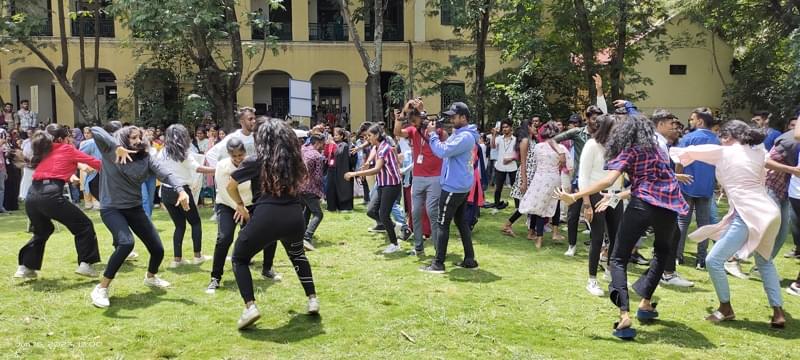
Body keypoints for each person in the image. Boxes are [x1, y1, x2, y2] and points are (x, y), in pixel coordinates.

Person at [556, 113, 688, 340]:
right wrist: (616, 196)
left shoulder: (631, 151)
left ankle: (624, 315)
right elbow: (652, 183)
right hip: (668, 209)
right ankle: (645, 304)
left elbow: (608, 181)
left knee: (618, 259)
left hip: (642, 206)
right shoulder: (658, 151)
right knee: (662, 252)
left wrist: (575, 196)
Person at [670, 120, 785, 328]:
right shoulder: (758, 150)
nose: (720, 139)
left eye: (723, 136)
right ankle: (778, 312)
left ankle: (726, 308)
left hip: (748, 213)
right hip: (769, 211)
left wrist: (677, 167)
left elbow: (683, 151)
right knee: (765, 261)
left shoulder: (723, 152)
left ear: (730, 136)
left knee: (713, 260)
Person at [88, 125, 190, 308]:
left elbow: (165, 173)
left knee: (157, 249)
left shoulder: (145, 158)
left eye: (138, 137)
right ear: (123, 139)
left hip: (134, 208)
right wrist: (115, 145)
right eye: (132, 138)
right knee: (126, 243)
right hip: (112, 208)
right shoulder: (109, 150)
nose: (137, 141)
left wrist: (180, 190)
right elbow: (95, 129)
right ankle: (101, 288)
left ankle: (150, 277)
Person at [230, 118, 319, 330]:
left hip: (266, 216)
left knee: (239, 258)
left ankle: (250, 307)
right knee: (298, 255)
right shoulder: (295, 161)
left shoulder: (256, 161)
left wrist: (240, 205)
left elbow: (231, 185)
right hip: (294, 216)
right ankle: (312, 299)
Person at [14, 124, 102, 279]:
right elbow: (95, 162)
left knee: (42, 230)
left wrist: (71, 174)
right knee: (84, 226)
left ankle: (25, 267)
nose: (71, 140)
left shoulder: (42, 151)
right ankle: (86, 264)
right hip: (51, 195)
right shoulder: (66, 149)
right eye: (69, 137)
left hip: (32, 195)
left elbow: (54, 168)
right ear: (61, 139)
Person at [420, 102, 481, 273]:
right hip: (460, 185)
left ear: (463, 117)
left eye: (454, 116)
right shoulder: (462, 134)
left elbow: (442, 152)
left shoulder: (465, 137)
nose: (451, 119)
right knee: (461, 223)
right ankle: (470, 259)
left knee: (442, 223)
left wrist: (432, 135)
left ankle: (438, 263)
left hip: (453, 187)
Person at [574, 114, 627, 295]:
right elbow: (583, 176)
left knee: (616, 236)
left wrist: (620, 195)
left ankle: (609, 268)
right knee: (596, 237)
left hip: (614, 195)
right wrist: (587, 203)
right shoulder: (592, 145)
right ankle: (592, 280)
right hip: (595, 194)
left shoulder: (618, 147)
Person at [158, 124, 216, 268]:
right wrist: (219, 169)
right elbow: (198, 168)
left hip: (166, 191)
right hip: (182, 191)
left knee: (179, 225)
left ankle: (177, 260)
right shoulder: (183, 153)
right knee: (195, 222)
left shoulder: (162, 152)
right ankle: (197, 256)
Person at [394, 99, 443, 256]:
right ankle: (418, 247)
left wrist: (422, 110)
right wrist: (402, 112)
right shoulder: (413, 130)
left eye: (414, 121)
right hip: (418, 177)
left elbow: (444, 143)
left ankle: (438, 249)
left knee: (431, 212)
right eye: (411, 121)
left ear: (422, 118)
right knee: (415, 212)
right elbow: (397, 132)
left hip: (435, 177)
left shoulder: (436, 130)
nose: (413, 124)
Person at [345, 124, 404, 254]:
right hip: (382, 184)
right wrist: (365, 165)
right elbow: (372, 158)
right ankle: (396, 226)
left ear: (377, 135)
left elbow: (377, 169)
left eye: (370, 136)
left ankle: (395, 244)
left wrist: (354, 174)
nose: (368, 138)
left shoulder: (384, 148)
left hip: (391, 185)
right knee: (371, 211)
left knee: (383, 214)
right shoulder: (377, 147)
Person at [675, 107, 720, 269]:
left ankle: (678, 256)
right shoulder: (717, 140)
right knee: (704, 224)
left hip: (686, 184)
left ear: (700, 121)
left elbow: (678, 161)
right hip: (707, 187)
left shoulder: (688, 138)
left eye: (692, 119)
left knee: (682, 222)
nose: (690, 121)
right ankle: (701, 259)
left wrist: (677, 178)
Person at [519, 122, 569, 248]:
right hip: (554, 179)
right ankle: (548, 235)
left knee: (538, 207)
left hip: (539, 178)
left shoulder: (538, 147)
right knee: (548, 208)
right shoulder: (561, 149)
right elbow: (569, 166)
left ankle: (538, 238)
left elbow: (536, 162)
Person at [502, 119, 535, 238]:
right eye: (533, 126)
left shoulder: (531, 140)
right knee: (527, 204)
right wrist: (524, 182)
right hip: (527, 174)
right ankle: (508, 224)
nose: (536, 128)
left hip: (533, 174)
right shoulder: (525, 141)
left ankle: (531, 231)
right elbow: (523, 162)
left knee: (531, 204)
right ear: (528, 127)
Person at [299, 134, 326, 250]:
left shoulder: (303, 149)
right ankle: (307, 237)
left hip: (299, 186)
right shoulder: (318, 156)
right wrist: (321, 193)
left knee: (307, 211)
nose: (324, 146)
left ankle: (301, 234)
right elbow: (318, 177)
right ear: (318, 143)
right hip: (310, 188)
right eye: (323, 144)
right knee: (318, 214)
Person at [326, 127, 354, 212]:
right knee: (330, 188)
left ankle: (344, 206)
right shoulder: (333, 144)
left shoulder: (344, 145)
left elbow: (340, 155)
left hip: (341, 170)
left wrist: (333, 146)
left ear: (342, 136)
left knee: (342, 188)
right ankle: (331, 206)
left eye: (337, 135)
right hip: (331, 169)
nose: (335, 137)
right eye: (334, 135)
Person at [490, 119, 517, 210]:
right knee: (498, 188)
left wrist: (511, 159)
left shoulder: (516, 140)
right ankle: (496, 205)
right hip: (500, 166)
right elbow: (493, 146)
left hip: (512, 166)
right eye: (503, 127)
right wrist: (494, 134)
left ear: (511, 128)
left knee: (514, 188)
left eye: (506, 127)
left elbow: (519, 154)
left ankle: (518, 207)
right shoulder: (499, 138)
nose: (505, 129)